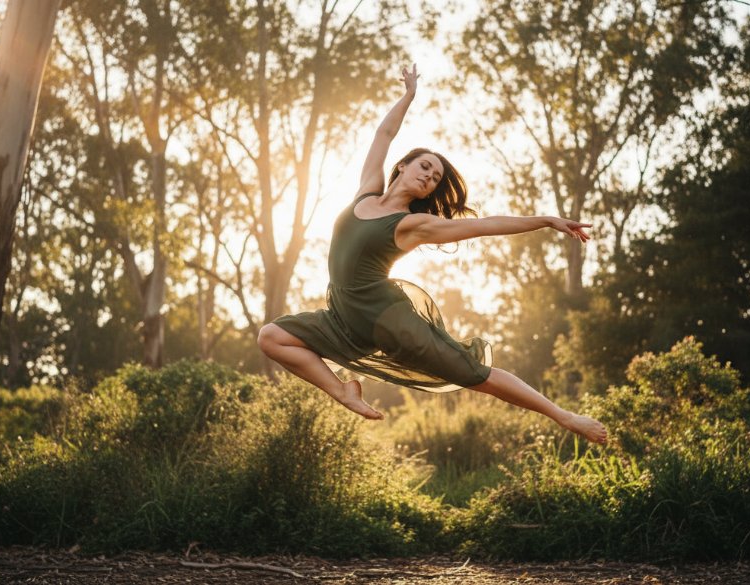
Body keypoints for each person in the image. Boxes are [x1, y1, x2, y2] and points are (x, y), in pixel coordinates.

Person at [257, 64, 607, 444]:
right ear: (403, 166)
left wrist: (545, 220)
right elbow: (383, 134)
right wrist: (408, 97)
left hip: (388, 320)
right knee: (271, 336)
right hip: (342, 316)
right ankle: (343, 391)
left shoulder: (412, 224)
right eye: (424, 166)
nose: (429, 176)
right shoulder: (367, 191)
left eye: (436, 178)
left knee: (477, 375)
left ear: (429, 192)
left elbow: (484, 225)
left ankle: (565, 417)